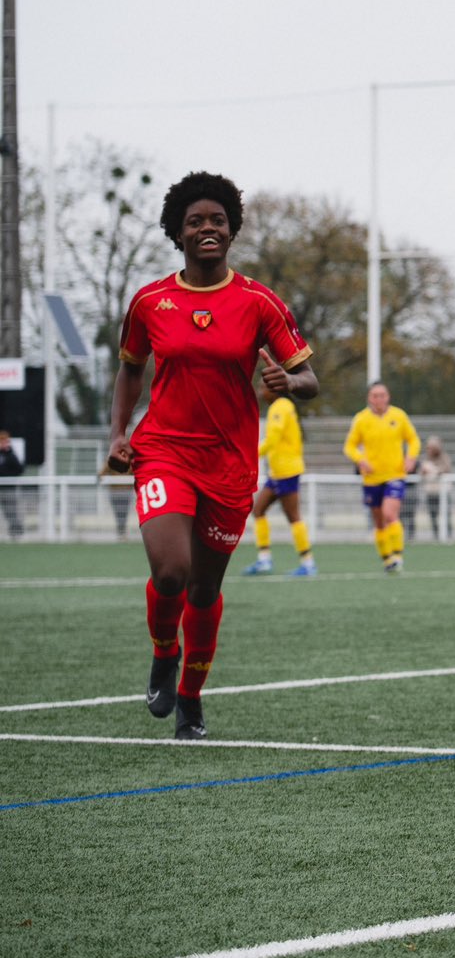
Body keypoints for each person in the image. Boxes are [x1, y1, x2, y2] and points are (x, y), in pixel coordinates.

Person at [106, 171, 318, 740]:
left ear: (232, 230)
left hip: (229, 464)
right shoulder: (150, 301)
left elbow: (309, 378)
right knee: (171, 571)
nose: (208, 228)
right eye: (196, 221)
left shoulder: (257, 301)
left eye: (217, 220)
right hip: (164, 451)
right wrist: (118, 435)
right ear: (178, 232)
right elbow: (130, 368)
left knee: (204, 590)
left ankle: (191, 702)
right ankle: (162, 654)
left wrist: (288, 383)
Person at [344, 383, 420, 573]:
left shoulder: (399, 416)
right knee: (378, 522)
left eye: (382, 395)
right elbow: (349, 446)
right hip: (371, 478)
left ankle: (397, 555)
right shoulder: (361, 419)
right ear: (369, 398)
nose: (379, 399)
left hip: (395, 475)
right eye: (375, 395)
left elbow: (413, 439)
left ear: (388, 397)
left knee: (389, 514)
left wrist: (411, 457)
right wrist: (360, 460)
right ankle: (387, 559)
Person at [245, 377, 315, 575]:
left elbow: (273, 439)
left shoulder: (281, 406)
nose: (260, 391)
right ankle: (264, 559)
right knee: (258, 510)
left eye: (263, 387)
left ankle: (308, 562)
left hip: (287, 472)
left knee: (293, 517)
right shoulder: (281, 406)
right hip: (277, 472)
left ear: (274, 389)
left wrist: (250, 455)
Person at [418, 435, 455, 543]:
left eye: (432, 447)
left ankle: (448, 535)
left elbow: (446, 469)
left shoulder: (444, 457)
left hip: (443, 491)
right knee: (432, 514)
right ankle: (436, 535)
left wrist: (434, 470)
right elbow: (421, 472)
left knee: (446, 513)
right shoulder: (425, 459)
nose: (430, 450)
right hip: (431, 491)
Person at [0, 429, 24, 539]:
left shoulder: (11, 455)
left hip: (8, 488)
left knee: (11, 511)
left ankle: (16, 533)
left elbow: (19, 469)